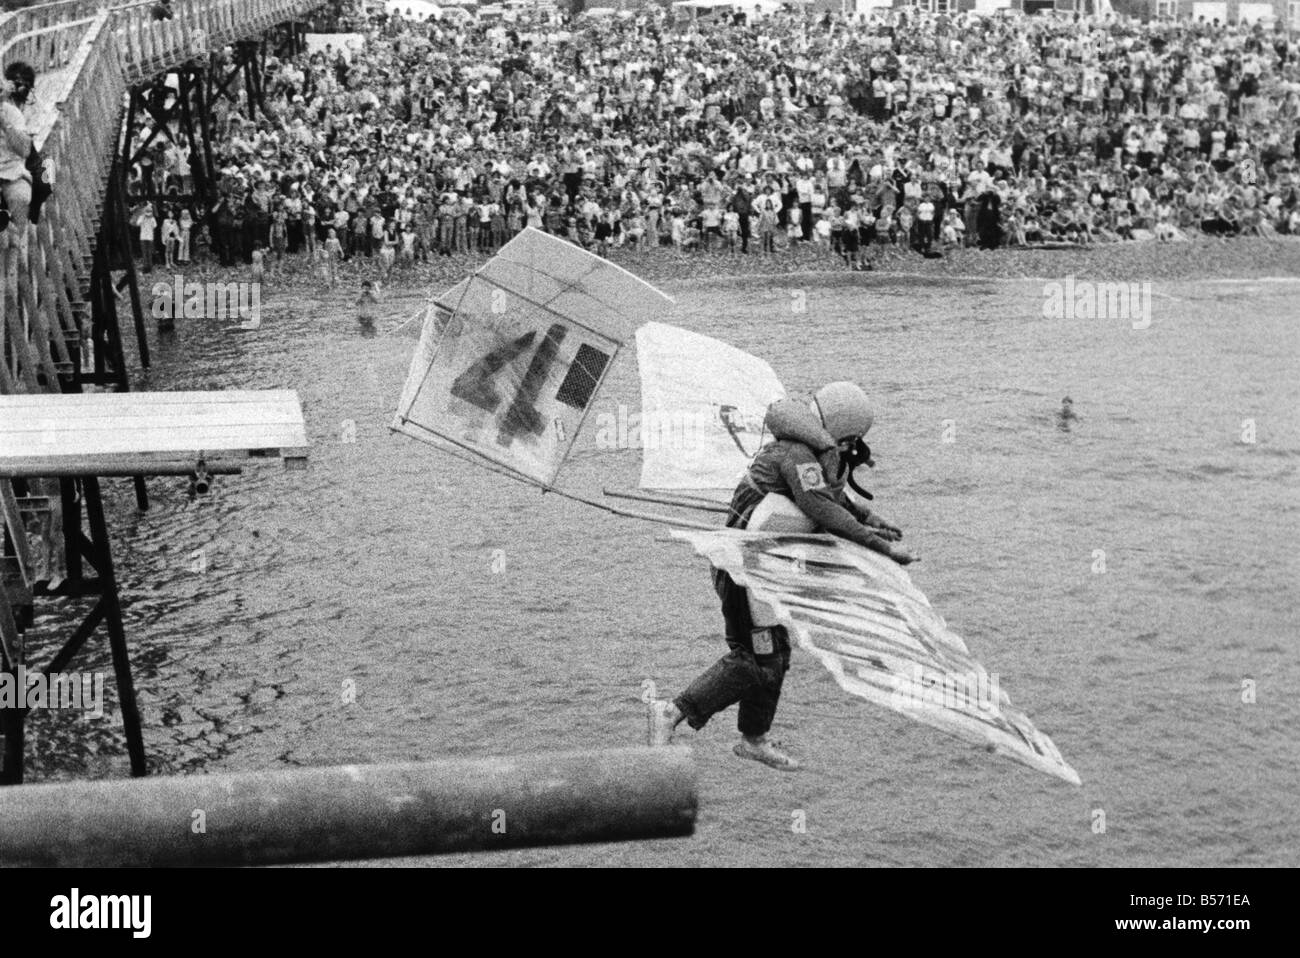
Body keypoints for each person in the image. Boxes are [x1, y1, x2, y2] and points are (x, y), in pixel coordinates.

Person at [649, 382, 914, 770]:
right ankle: (671, 712)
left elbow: (834, 496)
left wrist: (871, 519)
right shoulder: (797, 456)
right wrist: (883, 549)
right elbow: (822, 509)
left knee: (773, 656)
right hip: (740, 571)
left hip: (761, 570)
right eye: (851, 440)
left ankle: (753, 739)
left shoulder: (806, 451)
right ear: (843, 431)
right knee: (753, 658)